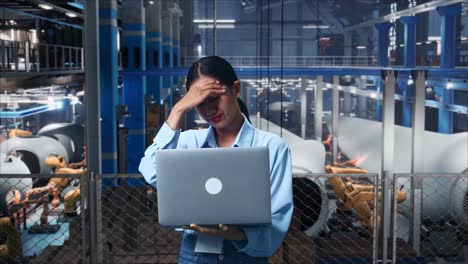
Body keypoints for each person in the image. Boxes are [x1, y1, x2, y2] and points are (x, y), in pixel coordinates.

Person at [139, 56, 293, 263]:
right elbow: (149, 167)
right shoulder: (189, 142)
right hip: (193, 256)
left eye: (213, 98)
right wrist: (178, 109)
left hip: (245, 257)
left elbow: (277, 223)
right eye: (199, 103)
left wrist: (235, 234)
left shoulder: (272, 147)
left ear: (235, 89)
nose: (208, 110)